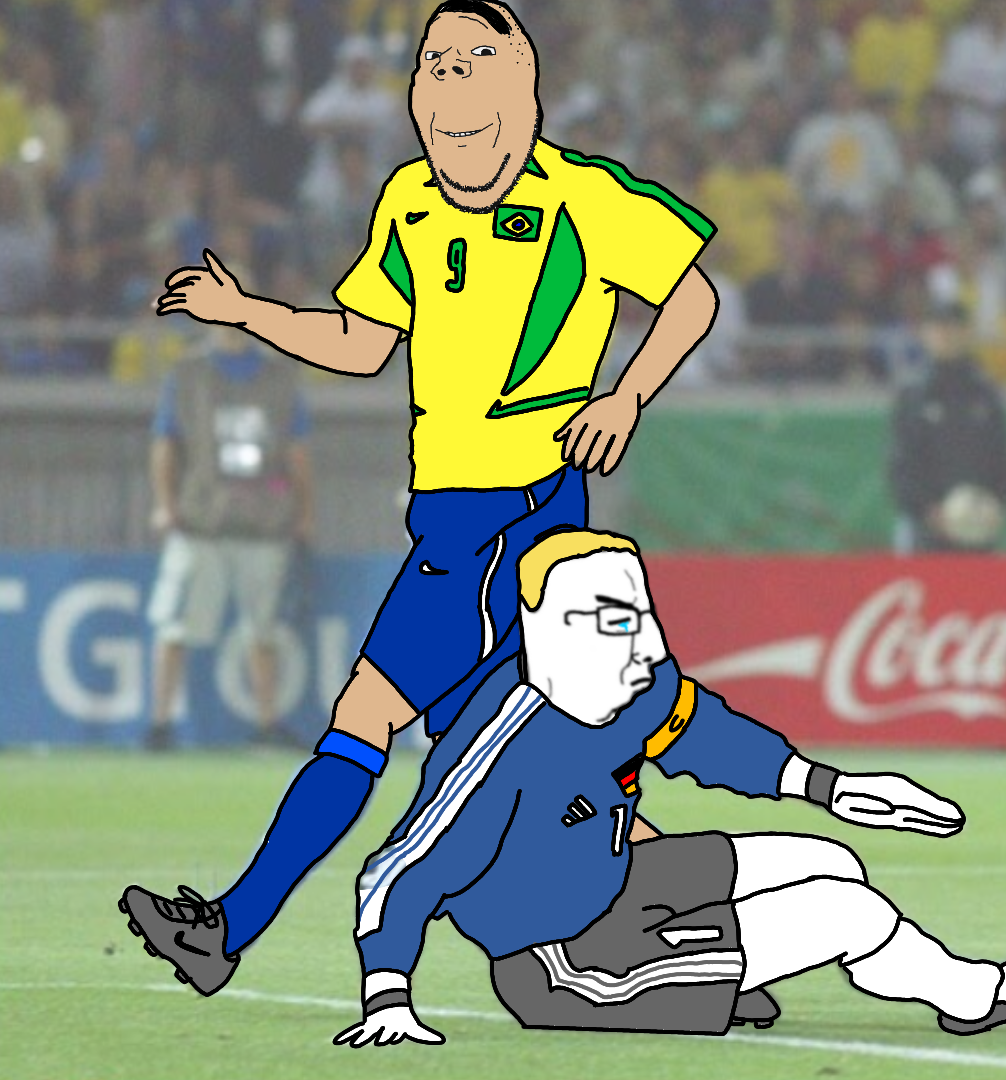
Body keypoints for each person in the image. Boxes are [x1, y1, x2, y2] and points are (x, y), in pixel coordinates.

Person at [120, 0, 719, 987]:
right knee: (554, 768)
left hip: (518, 520)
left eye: (469, 64)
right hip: (455, 521)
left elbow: (691, 293)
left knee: (370, 718)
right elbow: (361, 343)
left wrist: (625, 394)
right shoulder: (410, 201)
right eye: (432, 68)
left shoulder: (583, 197)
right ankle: (718, 934)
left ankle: (227, 930)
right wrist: (247, 312)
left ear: (521, 95)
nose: (446, 86)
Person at [323, 530, 1006, 1045]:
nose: (649, 647)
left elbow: (706, 737)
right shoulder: (503, 747)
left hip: (619, 884)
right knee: (846, 910)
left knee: (831, 861)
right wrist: (388, 995)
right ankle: (980, 995)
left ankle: (730, 980)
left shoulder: (636, 690)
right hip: (564, 964)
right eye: (620, 622)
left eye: (643, 617)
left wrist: (830, 787)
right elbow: (399, 869)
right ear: (558, 628)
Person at [144, 326, 315, 749]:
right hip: (201, 519)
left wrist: (303, 512)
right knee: (175, 624)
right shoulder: (186, 374)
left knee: (263, 630)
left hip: (263, 521)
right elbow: (165, 444)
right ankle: (160, 723)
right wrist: (165, 503)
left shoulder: (280, 377)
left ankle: (267, 723)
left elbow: (297, 453)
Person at [889, 303, 1006, 554]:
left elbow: (1002, 456)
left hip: (978, 525)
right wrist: (926, 510)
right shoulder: (913, 394)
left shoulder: (984, 393)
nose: (945, 334)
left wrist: (997, 504)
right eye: (937, 327)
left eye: (953, 326)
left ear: (967, 333)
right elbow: (901, 462)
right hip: (927, 531)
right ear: (924, 333)